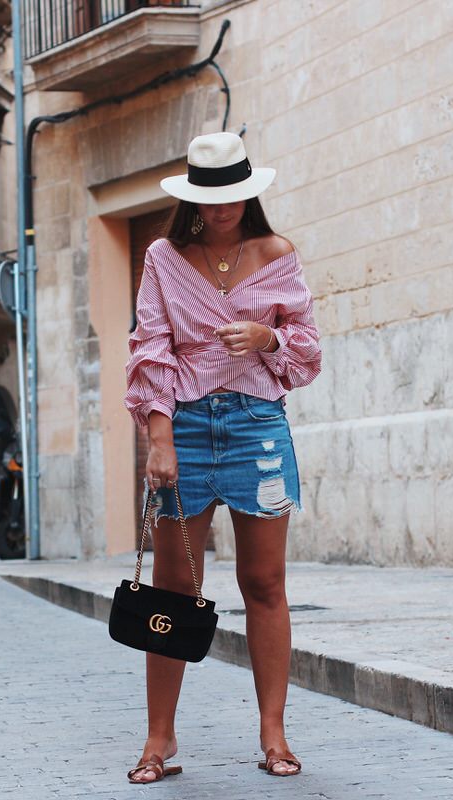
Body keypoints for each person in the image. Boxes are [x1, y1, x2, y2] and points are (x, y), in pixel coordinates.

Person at [123, 131, 322, 784]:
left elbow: (306, 350)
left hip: (257, 429)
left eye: (233, 196)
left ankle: (273, 732)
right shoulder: (163, 256)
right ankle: (159, 738)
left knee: (263, 583)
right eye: (210, 199)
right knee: (174, 586)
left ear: (250, 194)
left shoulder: (276, 254)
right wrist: (159, 439)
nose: (222, 209)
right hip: (184, 425)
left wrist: (267, 335)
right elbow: (150, 344)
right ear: (193, 200)